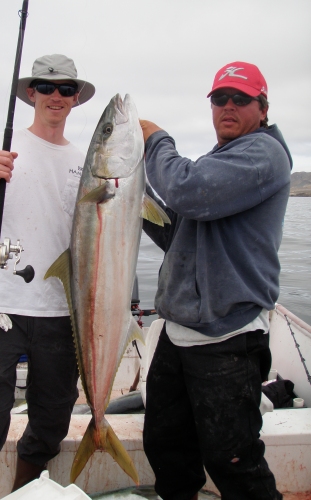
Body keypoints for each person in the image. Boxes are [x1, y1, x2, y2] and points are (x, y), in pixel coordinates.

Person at [0, 54, 95, 500]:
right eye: (46, 87)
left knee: (51, 418)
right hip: (2, 307)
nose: (56, 96)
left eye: (66, 89)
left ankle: (26, 490)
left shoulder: (85, 161)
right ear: (31, 93)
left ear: (76, 99)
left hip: (61, 313)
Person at [140, 62, 292, 500]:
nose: (228, 106)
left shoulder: (263, 154)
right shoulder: (220, 161)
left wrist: (155, 139)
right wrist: (130, 198)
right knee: (168, 450)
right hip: (178, 333)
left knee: (234, 463)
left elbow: (187, 189)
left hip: (227, 338)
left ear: (262, 109)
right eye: (220, 98)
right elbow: (178, 233)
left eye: (241, 98)